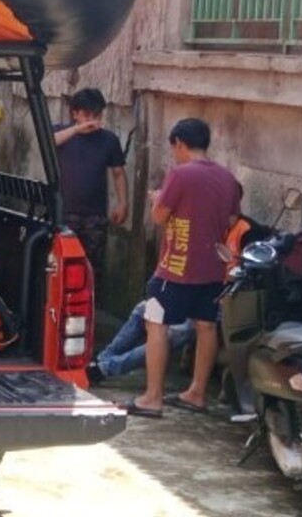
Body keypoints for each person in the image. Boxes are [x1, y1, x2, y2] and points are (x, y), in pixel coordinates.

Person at [124, 118, 241, 418]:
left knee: (156, 322)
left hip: (176, 267)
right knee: (206, 326)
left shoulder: (180, 174)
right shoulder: (228, 178)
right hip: (214, 267)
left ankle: (152, 397)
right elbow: (230, 222)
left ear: (179, 143)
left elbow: (159, 217)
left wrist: (156, 200)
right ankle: (197, 393)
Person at [53, 88, 127, 285]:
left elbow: (118, 173)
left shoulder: (109, 140)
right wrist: (77, 129)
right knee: (60, 265)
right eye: (86, 114)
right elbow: (48, 142)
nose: (92, 119)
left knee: (93, 269)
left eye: (97, 114)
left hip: (95, 216)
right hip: (64, 213)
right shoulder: (61, 132)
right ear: (75, 113)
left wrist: (122, 203)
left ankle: (90, 311)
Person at [86, 300, 194, 384]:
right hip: (184, 298)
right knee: (143, 308)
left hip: (199, 313)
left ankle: (103, 369)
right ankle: (102, 358)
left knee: (173, 334)